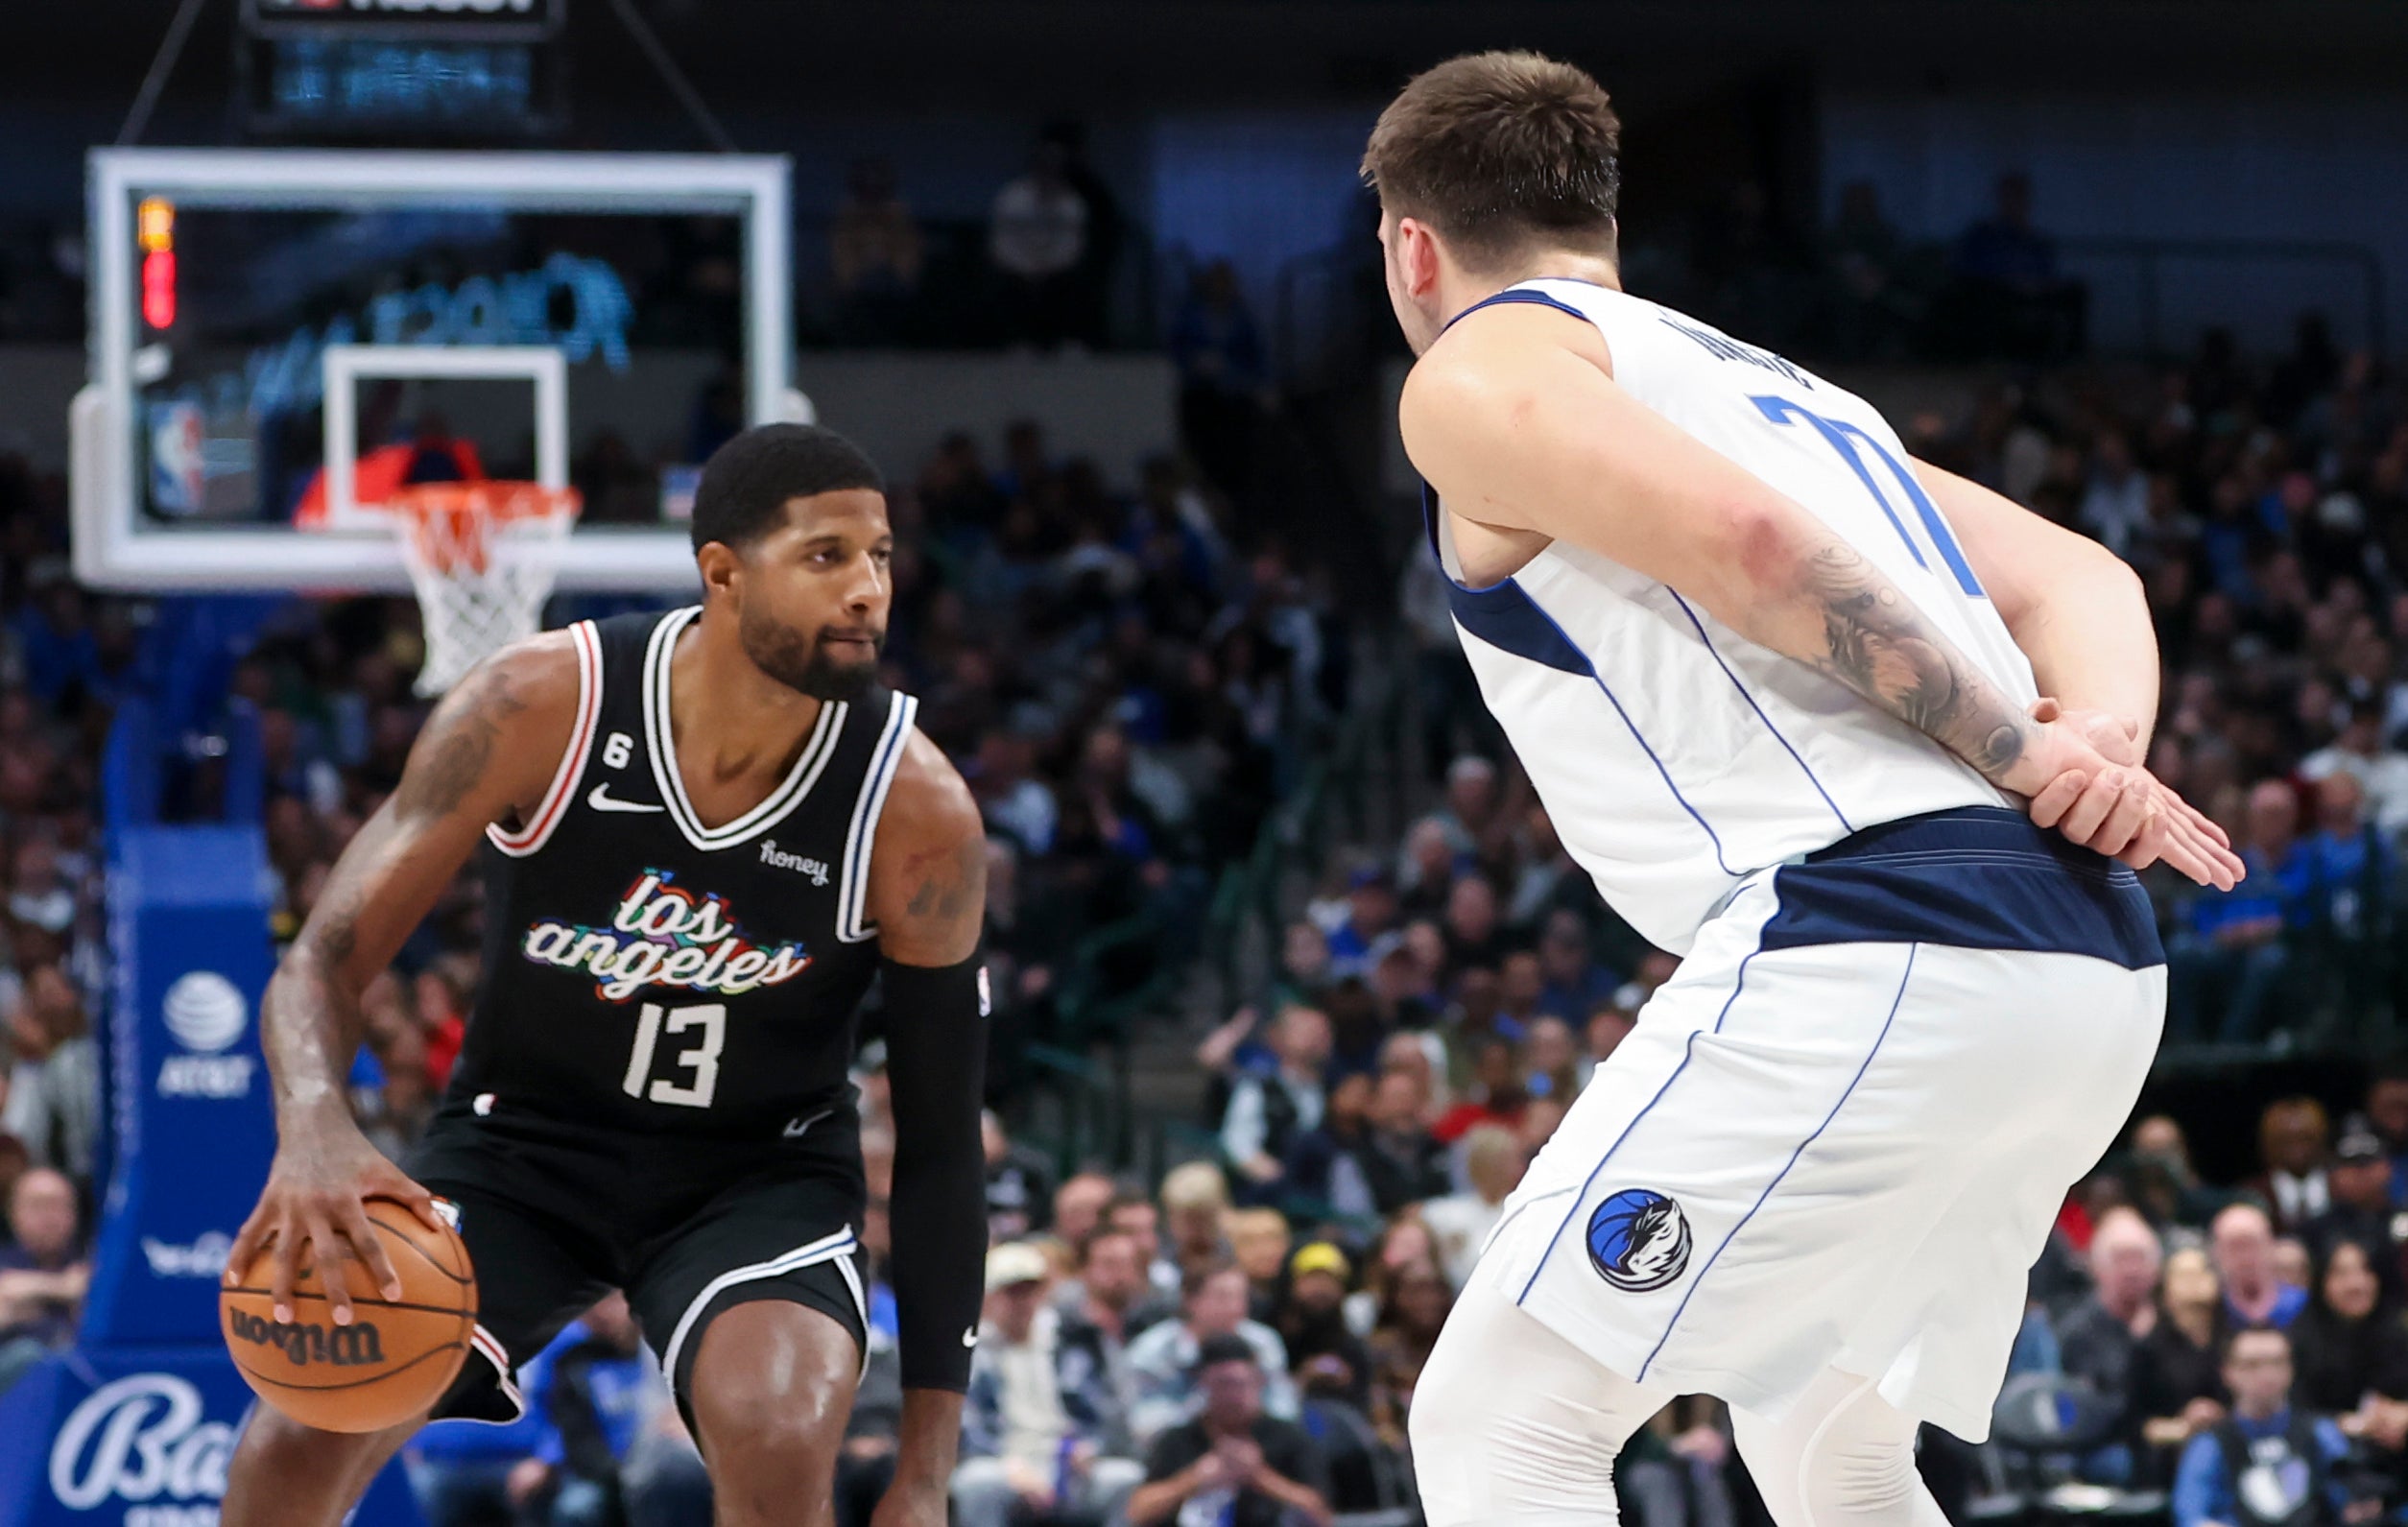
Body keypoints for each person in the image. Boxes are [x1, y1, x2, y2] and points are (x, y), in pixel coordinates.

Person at [1361, 51, 2239, 1527]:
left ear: (1412, 246)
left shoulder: (1479, 365)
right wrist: (2098, 743)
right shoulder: (1783, 392)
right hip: (2085, 956)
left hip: (1886, 928)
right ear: (1604, 221)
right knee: (1822, 1432)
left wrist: (2033, 755)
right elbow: (2087, 573)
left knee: (1502, 1420)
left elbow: (1759, 558)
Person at [219, 424, 993, 1527]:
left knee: (777, 1437)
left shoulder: (914, 807)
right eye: (827, 556)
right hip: (521, 1149)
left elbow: (942, 1143)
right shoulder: (542, 704)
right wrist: (314, 1126)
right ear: (722, 571)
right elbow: (322, 964)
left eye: (878, 557)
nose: (868, 588)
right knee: (301, 1431)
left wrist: (922, 1475)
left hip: (754, 1174)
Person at [954, 1242, 1146, 1527]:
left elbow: (1104, 1409)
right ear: (990, 1298)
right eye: (1011, 1293)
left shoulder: (1072, 1343)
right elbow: (967, 1424)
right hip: (1005, 1461)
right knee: (977, 1482)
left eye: (1029, 1292)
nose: (1022, 1302)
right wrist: (1009, 1466)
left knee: (1124, 1477)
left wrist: (1090, 1447)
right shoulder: (971, 1352)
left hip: (1068, 1462)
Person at [2170, 1327, 2371, 1527]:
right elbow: (2191, 1515)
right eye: (2252, 1365)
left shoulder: (2320, 1433)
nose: (2266, 1374)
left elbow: (2355, 1498)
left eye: (2276, 1362)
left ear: (2291, 1369)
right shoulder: (2210, 1444)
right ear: (2227, 1372)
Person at [1127, 1335, 1333, 1527]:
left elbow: (1320, 1514)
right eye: (1223, 1385)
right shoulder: (1179, 1438)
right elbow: (1137, 1511)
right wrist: (1194, 1479)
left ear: (1259, 1383)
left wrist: (1260, 1476)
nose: (1234, 1396)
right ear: (1204, 1384)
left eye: (1242, 1384)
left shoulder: (1288, 1437)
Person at [1125, 1261, 1298, 1448]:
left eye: (1241, 1298)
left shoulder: (1263, 1342)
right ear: (1191, 1300)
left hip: (1255, 1445)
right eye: (1222, 1297)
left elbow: (1284, 1409)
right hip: (1178, 1450)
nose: (1235, 1308)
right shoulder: (1152, 1350)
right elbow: (1144, 1426)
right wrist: (1211, 1405)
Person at [2057, 1207, 2163, 1471]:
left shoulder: (2169, 1322)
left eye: (2139, 1259)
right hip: (2103, 1446)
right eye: (2120, 1260)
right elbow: (2087, 1409)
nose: (2131, 1270)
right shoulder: (2077, 1331)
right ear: (2097, 1268)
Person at [1220, 1005, 1331, 1197]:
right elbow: (1238, 1144)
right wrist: (1279, 1178)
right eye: (1307, 1030)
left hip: (1323, 1195)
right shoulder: (1258, 1085)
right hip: (1269, 1197)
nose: (1317, 1037)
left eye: (1324, 1031)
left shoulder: (1336, 1089)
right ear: (1278, 1038)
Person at [0, 1165, 86, 1395]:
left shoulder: (94, 1262)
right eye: (37, 1206)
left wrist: (28, 1290)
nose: (49, 1217)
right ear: (13, 1212)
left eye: (58, 1206)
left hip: (74, 1382)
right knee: (27, 1354)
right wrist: (63, 1288)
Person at [1422, 1124, 1525, 1289]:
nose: (1521, 1167)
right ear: (1489, 1163)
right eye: (1512, 1159)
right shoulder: (1443, 1214)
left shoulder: (1523, 1213)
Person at [2217, 1203, 2310, 1330]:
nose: (2245, 1259)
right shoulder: (2212, 1313)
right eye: (2235, 1248)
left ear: (2270, 1247)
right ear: (2218, 1254)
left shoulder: (2304, 1307)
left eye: (2252, 1246)